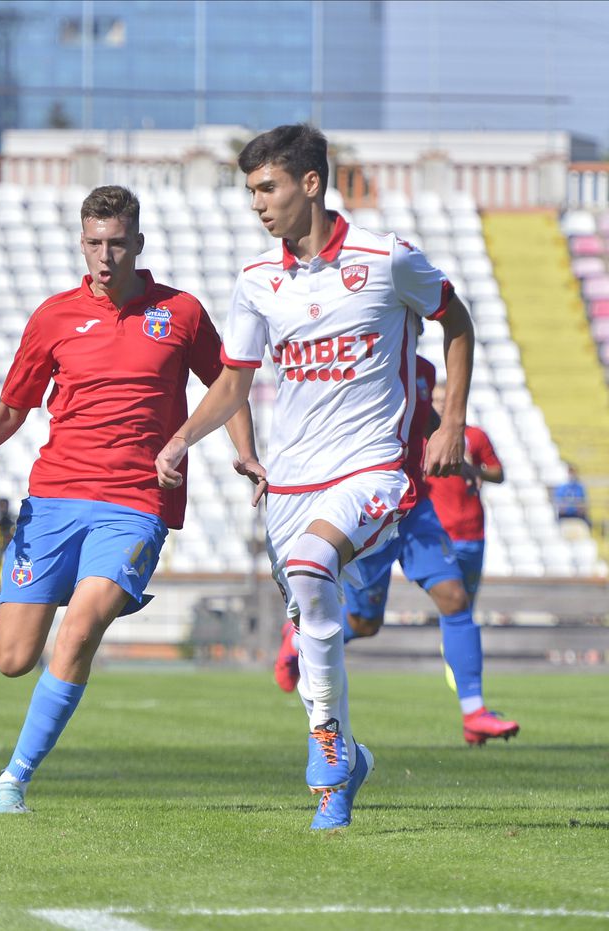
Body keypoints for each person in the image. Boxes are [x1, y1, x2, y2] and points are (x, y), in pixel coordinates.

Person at [155, 124, 475, 829]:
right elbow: (234, 385)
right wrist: (182, 436)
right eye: (250, 192)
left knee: (311, 566)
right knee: (310, 620)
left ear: (309, 183)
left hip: (372, 468)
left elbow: (457, 322)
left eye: (266, 188)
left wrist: (450, 420)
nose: (257, 205)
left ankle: (326, 757)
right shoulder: (256, 282)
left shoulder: (387, 259)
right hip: (290, 482)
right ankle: (346, 759)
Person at [0, 184, 256, 815]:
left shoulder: (181, 312)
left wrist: (243, 452)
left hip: (137, 502)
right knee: (14, 660)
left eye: (116, 244)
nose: (105, 257)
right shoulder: (53, 316)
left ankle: (13, 780)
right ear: (83, 243)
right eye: (94, 244)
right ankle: (28, 598)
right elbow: (14, 407)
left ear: (138, 243)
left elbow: (226, 386)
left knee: (77, 634)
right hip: (53, 497)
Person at [274, 344, 520, 746]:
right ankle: (295, 639)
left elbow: (431, 422)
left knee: (455, 599)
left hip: (416, 509)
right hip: (369, 507)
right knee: (364, 623)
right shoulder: (363, 365)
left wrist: (455, 451)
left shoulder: (421, 369)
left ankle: (474, 712)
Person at [424, 380, 504, 606]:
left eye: (444, 400)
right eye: (435, 400)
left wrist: (471, 469)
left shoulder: (475, 436)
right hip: (438, 533)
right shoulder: (423, 438)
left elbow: (498, 474)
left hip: (471, 533)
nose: (440, 406)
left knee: (467, 603)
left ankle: (454, 642)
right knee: (450, 602)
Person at [553, 462, 590, 528]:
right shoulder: (562, 487)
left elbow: (583, 503)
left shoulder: (580, 487)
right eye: (570, 472)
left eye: (573, 472)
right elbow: (559, 505)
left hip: (578, 516)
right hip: (565, 516)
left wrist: (579, 508)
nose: (572, 474)